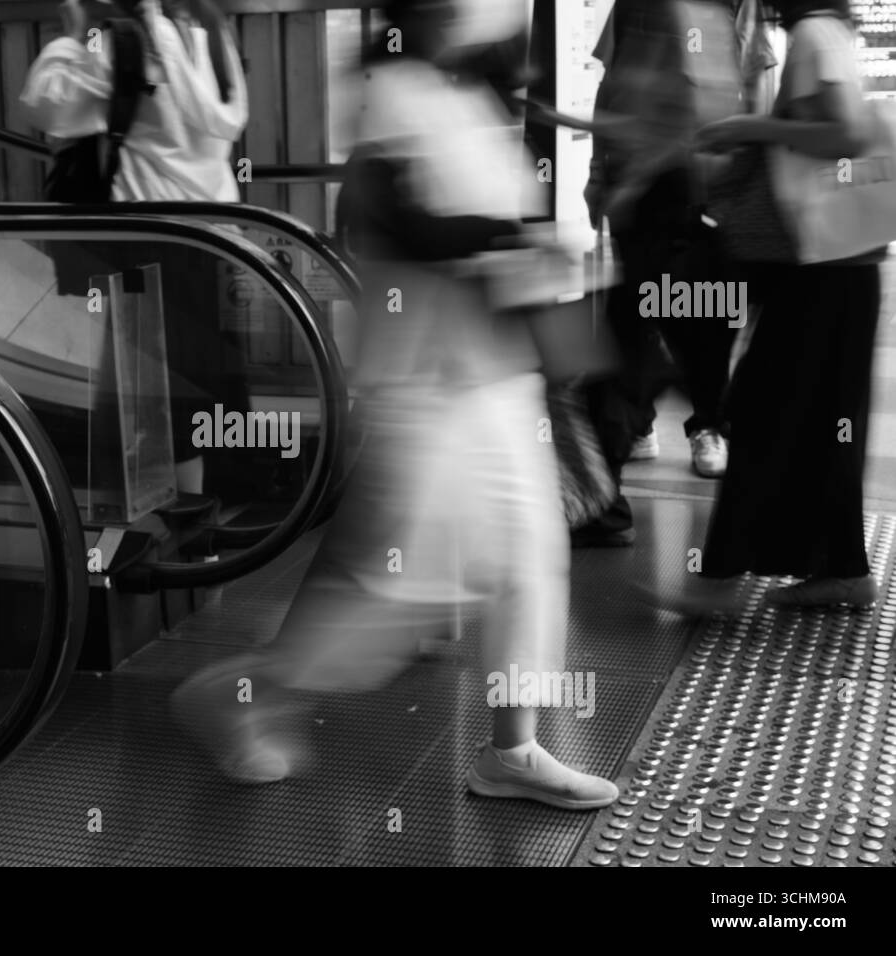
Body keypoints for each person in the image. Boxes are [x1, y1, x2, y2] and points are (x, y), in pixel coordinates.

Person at [170, 0, 619, 810]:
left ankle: (511, 751)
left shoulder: (466, 93)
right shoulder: (396, 88)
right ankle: (241, 694)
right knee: (396, 595)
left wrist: (525, 257)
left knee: (528, 560)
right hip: (431, 387)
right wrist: (512, 246)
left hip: (498, 375)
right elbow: (394, 216)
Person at [668, 0, 882, 612]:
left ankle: (719, 581)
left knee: (763, 415)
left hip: (819, 267)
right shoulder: (827, 32)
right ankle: (843, 569)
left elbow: (847, 134)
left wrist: (750, 129)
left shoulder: (813, 33)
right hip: (839, 267)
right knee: (821, 424)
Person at [21, 0, 250, 498]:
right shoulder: (212, 32)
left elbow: (45, 107)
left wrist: (72, 35)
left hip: (151, 241)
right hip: (212, 238)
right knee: (195, 384)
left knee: (147, 392)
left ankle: (167, 526)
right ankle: (205, 531)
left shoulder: (127, 43)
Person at [577, 0, 752, 549]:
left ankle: (606, 503)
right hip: (672, 217)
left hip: (677, 213)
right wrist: (597, 172)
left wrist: (621, 184)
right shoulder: (641, 7)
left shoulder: (699, 15)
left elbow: (698, 117)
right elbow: (615, 87)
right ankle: (607, 500)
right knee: (650, 359)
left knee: (633, 362)